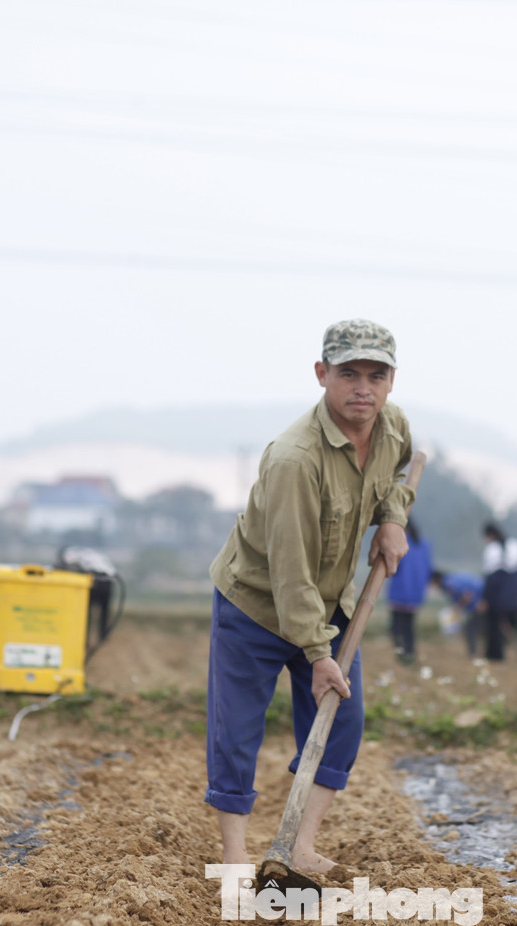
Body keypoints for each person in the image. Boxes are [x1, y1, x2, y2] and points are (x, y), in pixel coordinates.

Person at [205, 318, 414, 875]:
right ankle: (235, 857)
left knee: (342, 724)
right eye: (349, 373)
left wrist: (391, 518)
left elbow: (397, 475)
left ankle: (297, 846)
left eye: (376, 374)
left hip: (331, 601)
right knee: (236, 732)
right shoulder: (295, 459)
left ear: (392, 381)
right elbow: (290, 573)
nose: (363, 388)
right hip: (256, 603)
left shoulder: (392, 426)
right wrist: (318, 656)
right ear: (323, 374)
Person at [386, 522, 432, 665]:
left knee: (397, 627)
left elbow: (394, 567)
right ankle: (410, 654)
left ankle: (401, 656)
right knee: (409, 628)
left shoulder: (401, 542)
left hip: (400, 592)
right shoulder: (424, 545)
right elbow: (428, 570)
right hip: (415, 594)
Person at [480, 522, 517, 661]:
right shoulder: (516, 545)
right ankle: (501, 651)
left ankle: (494, 655)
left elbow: (488, 575)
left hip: (496, 588)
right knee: (506, 620)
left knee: (493, 623)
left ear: (489, 535)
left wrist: (485, 597)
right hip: (512, 588)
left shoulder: (491, 549)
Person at [430, 569, 484, 657]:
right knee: (475, 629)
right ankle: (476, 653)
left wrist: (458, 607)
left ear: (435, 580)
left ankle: (474, 654)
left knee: (471, 630)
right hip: (478, 603)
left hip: (478, 604)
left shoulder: (449, 584)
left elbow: (467, 595)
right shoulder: (450, 580)